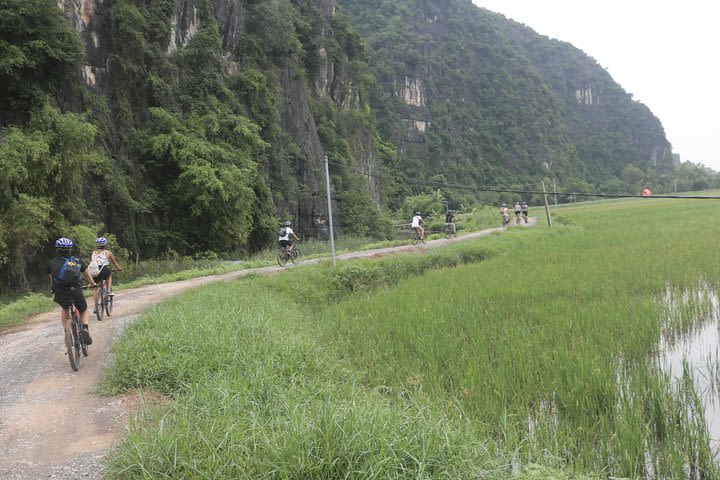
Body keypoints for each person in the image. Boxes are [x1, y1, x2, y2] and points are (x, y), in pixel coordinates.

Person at [48, 237, 96, 344]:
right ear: (70, 249)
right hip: (75, 290)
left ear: (57, 249)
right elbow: (87, 275)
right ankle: (84, 329)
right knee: (83, 310)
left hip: (60, 292)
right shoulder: (76, 261)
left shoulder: (51, 263)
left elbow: (52, 280)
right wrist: (93, 284)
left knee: (65, 308)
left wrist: (53, 289)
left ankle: (67, 333)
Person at [88, 237, 122, 311]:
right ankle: (109, 291)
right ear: (105, 244)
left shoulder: (93, 252)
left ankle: (96, 306)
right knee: (109, 275)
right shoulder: (108, 253)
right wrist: (118, 268)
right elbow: (114, 263)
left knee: (94, 287)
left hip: (93, 271)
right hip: (104, 269)